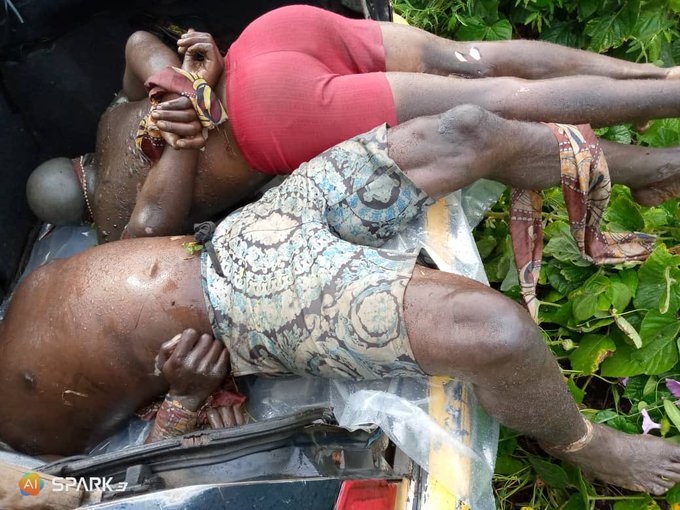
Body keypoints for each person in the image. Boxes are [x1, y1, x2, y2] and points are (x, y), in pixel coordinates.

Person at [3, 105, 680, 495]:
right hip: (240, 309)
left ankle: (649, 168)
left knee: (464, 131)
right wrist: (183, 402)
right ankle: (580, 441)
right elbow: (112, 498)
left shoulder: (21, 303)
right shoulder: (22, 451)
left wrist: (178, 142)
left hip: (237, 235)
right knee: (494, 331)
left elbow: (137, 245)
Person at [26, 4, 680, 241]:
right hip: (269, 38)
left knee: (501, 102)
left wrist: (187, 130)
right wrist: (185, 79)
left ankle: (657, 153)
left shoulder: (108, 222)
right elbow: (139, 43)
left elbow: (152, 228)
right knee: (476, 61)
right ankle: (659, 79)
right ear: (76, 161)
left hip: (276, 115)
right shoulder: (113, 120)